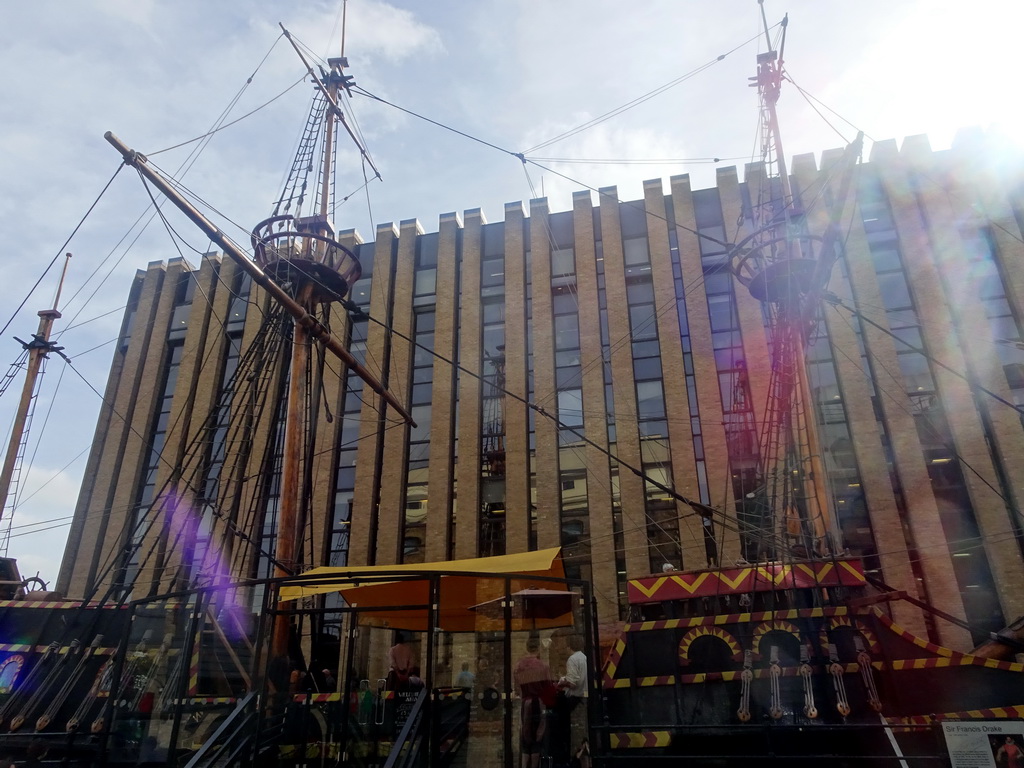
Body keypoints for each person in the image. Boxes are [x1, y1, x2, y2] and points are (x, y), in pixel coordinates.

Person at [514, 636, 556, 768]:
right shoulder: (543, 666)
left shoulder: (518, 666)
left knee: (526, 737)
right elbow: (548, 688)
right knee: (538, 735)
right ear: (538, 648)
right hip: (539, 702)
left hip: (525, 703)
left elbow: (517, 688)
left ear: (527, 647)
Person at [554, 634, 588, 768]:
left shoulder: (572, 659)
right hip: (583, 698)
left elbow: (573, 683)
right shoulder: (584, 657)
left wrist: (562, 682)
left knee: (569, 733)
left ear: (569, 646)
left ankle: (570, 760)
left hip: (574, 699)